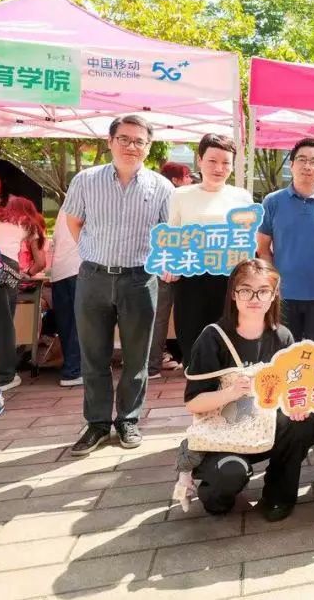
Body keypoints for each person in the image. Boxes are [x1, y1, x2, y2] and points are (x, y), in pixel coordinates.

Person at [63, 114, 172, 456]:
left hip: (139, 279)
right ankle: (97, 423)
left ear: (148, 147)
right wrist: (93, 253)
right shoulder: (86, 180)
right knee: (93, 356)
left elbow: (167, 234)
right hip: (93, 277)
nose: (131, 146)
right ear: (110, 142)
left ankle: (128, 419)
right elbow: (74, 221)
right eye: (124, 139)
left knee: (137, 357)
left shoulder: (161, 187)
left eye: (139, 141)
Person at [183, 259, 314, 521]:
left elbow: (291, 389)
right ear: (233, 294)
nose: (255, 298)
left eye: (263, 291)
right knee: (230, 476)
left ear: (274, 295)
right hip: (224, 433)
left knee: (305, 422)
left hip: (264, 429)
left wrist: (298, 404)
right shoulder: (213, 337)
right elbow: (193, 402)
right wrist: (230, 393)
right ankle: (215, 489)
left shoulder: (282, 337)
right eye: (246, 290)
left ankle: (278, 495)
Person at [162, 135, 252, 367]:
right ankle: (197, 387)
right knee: (193, 344)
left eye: (226, 162)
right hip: (191, 282)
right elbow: (172, 235)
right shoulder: (181, 195)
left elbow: (246, 239)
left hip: (230, 282)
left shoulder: (241, 197)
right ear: (199, 160)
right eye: (212, 161)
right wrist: (169, 264)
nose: (219, 168)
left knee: (230, 345)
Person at [258, 138, 314, 341]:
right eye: (302, 159)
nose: (307, 166)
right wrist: (273, 283)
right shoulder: (272, 202)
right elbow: (263, 249)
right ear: (291, 165)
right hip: (283, 294)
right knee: (283, 349)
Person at [0, 167, 46, 392]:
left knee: (0, 322)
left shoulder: (4, 212)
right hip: (8, 268)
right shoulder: (25, 216)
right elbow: (40, 261)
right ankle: (5, 375)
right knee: (4, 321)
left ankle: (0, 375)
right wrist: (26, 274)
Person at [148, 161, 193, 377]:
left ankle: (153, 364)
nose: (190, 179)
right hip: (170, 267)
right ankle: (153, 364)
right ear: (175, 180)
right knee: (164, 317)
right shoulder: (175, 199)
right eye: (187, 176)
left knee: (161, 317)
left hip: (167, 265)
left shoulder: (157, 197)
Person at [50, 209, 83, 387]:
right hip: (79, 268)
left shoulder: (64, 209)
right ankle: (75, 370)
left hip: (59, 270)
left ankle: (70, 369)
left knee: (66, 324)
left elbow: (55, 240)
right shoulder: (89, 202)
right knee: (81, 323)